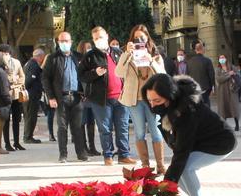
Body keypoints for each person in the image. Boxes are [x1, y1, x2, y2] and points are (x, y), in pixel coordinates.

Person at [142, 74, 236, 196]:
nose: (152, 105)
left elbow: (181, 152)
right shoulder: (168, 107)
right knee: (181, 172)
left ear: (169, 96)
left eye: (157, 100)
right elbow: (177, 144)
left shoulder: (187, 110)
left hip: (220, 142)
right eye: (149, 100)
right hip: (199, 142)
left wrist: (165, 187)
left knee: (184, 168)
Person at [78, 26, 135, 166]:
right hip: (101, 99)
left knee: (122, 127)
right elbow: (81, 76)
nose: (99, 40)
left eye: (101, 37)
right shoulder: (90, 56)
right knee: (105, 129)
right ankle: (108, 156)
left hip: (121, 97)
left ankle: (123, 155)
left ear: (107, 36)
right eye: (96, 38)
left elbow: (127, 69)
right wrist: (94, 73)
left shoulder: (117, 52)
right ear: (93, 40)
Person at [118, 24, 167, 173]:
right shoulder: (127, 55)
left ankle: (160, 165)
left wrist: (151, 60)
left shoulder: (155, 55)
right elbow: (118, 73)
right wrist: (127, 54)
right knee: (139, 132)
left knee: (156, 131)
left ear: (147, 38)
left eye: (142, 37)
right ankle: (145, 165)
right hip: (134, 100)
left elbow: (163, 76)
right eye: (136, 38)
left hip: (153, 99)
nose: (139, 40)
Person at [42, 31, 87, 163]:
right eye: (61, 41)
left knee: (78, 127)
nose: (64, 43)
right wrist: (51, 97)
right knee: (62, 127)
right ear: (58, 42)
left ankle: (81, 153)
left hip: (77, 97)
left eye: (66, 41)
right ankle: (63, 154)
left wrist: (86, 92)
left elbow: (86, 75)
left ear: (71, 42)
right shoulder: (53, 58)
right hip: (60, 98)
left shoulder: (79, 57)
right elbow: (45, 78)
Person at [215, 54, 241, 131]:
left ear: (226, 58)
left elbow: (238, 75)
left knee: (234, 107)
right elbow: (219, 79)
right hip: (222, 92)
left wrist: (234, 73)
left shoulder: (232, 67)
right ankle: (224, 126)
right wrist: (229, 74)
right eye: (220, 58)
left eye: (223, 57)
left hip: (232, 90)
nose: (222, 59)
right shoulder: (218, 69)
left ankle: (237, 124)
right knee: (223, 108)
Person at [24, 48, 47, 143]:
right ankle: (28, 137)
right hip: (32, 95)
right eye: (42, 57)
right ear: (40, 56)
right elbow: (29, 80)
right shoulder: (34, 65)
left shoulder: (27, 63)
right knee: (31, 116)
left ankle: (27, 135)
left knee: (29, 115)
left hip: (29, 95)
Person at [7, 47, 27, 151]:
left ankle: (16, 142)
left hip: (16, 94)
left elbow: (22, 77)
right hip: (5, 95)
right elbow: (1, 78)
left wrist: (14, 83)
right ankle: (7, 143)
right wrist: (11, 79)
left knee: (16, 119)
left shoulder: (17, 62)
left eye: (8, 53)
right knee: (6, 120)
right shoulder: (0, 64)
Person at [185, 39, 215, 106]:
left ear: (195, 50)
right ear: (202, 49)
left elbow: (187, 77)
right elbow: (211, 75)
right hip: (205, 89)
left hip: (194, 89)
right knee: (206, 106)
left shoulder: (189, 62)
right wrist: (212, 88)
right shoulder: (207, 61)